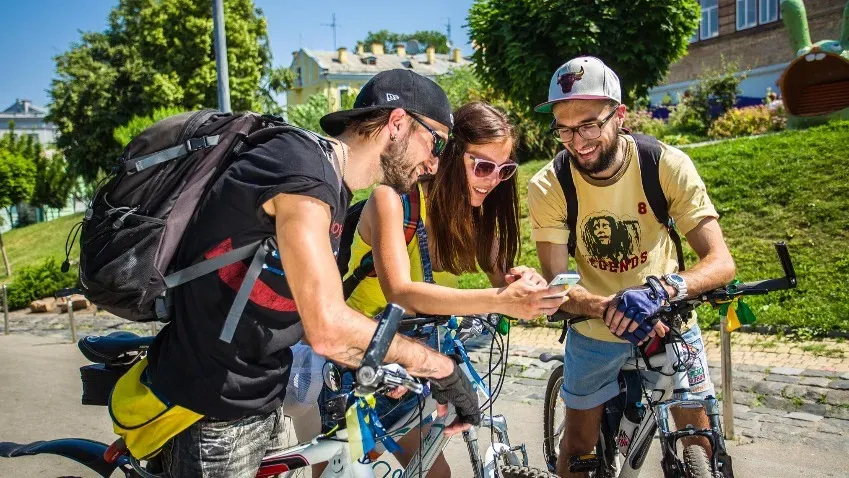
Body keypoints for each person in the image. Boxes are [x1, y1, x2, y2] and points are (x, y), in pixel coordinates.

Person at [144, 69, 521, 477]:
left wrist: (383, 364)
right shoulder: (304, 174)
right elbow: (328, 326)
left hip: (260, 398)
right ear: (397, 124)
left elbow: (308, 313)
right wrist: (437, 366)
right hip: (213, 411)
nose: (435, 163)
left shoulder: (334, 189)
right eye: (437, 143)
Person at [311, 101, 565, 477]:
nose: (493, 179)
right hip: (355, 366)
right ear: (448, 155)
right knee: (342, 473)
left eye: (504, 169)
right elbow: (401, 291)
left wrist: (524, 281)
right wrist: (499, 300)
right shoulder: (392, 200)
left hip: (412, 365)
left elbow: (502, 277)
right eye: (482, 166)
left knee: (436, 473)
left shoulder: (472, 213)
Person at [527, 56, 736, 477]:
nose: (577, 140)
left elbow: (720, 261)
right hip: (594, 328)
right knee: (579, 448)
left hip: (668, 319)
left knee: (699, 438)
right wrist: (607, 307)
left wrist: (662, 290)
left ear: (619, 115)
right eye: (563, 128)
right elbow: (557, 281)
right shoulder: (550, 185)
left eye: (589, 125)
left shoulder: (665, 165)